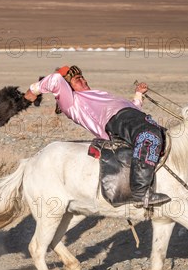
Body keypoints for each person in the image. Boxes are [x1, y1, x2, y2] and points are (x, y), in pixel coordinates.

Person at [23, 66, 170, 207]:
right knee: (148, 137)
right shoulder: (71, 102)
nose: (84, 80)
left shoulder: (96, 95)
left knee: (165, 137)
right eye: (77, 79)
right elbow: (55, 79)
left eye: (83, 77)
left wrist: (138, 94)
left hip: (135, 117)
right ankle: (140, 191)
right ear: (68, 86)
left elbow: (130, 108)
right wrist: (33, 90)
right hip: (116, 122)